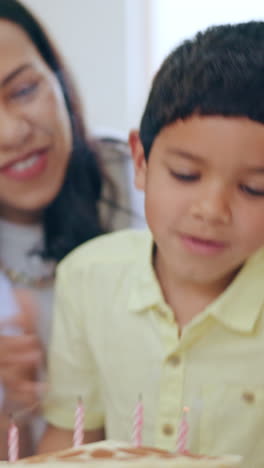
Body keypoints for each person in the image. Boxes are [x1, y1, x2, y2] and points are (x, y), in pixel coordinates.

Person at [39, 21, 264, 468]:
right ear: (140, 161)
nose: (211, 210)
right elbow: (73, 435)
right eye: (186, 174)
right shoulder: (87, 279)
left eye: (255, 189)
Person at [0, 0, 141, 459]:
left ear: (57, 77)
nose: (10, 132)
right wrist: (12, 406)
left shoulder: (137, 181)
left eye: (22, 91)